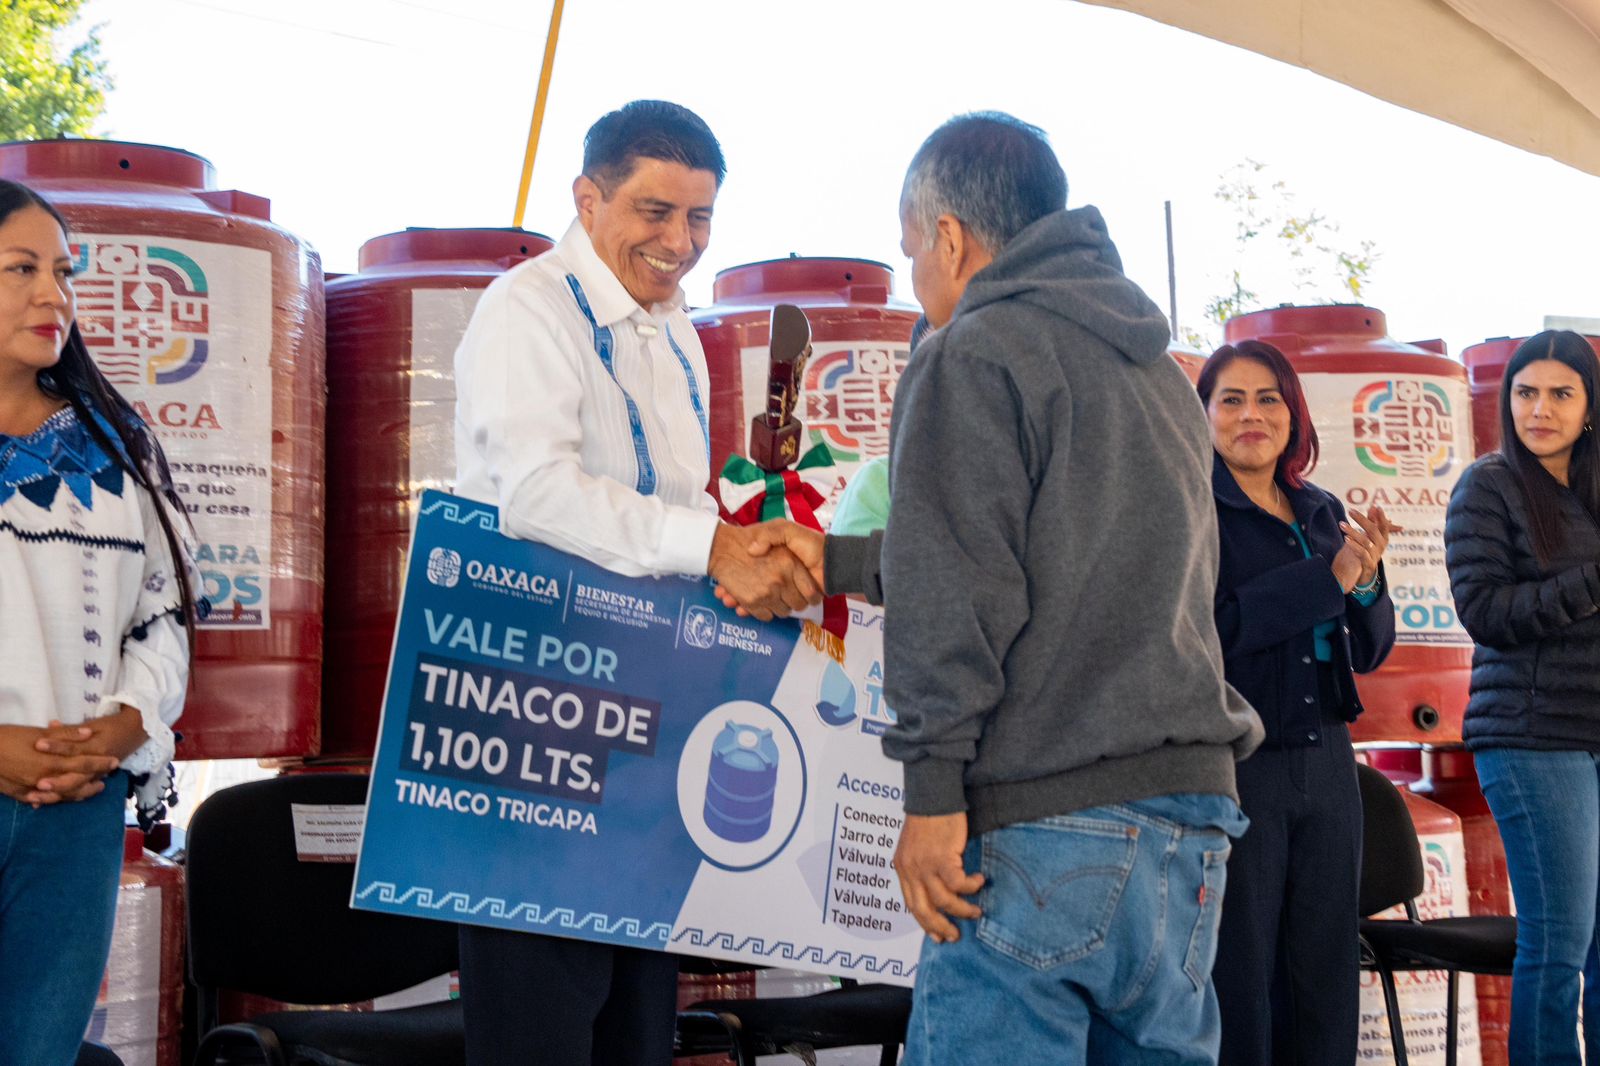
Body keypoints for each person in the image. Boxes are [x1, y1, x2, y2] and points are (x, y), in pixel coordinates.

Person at [790, 111, 1264, 1066]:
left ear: (951, 237)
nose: (918, 278)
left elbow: (957, 581)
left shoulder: (973, 347)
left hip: (1045, 823)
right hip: (1190, 828)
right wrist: (831, 566)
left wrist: (931, 797)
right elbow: (1045, 552)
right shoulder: (1158, 373)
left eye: (912, 248)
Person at [449, 99, 820, 1066]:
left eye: (700, 219)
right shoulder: (527, 308)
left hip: (646, 728)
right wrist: (713, 550)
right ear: (587, 196)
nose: (680, 243)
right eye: (655, 212)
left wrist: (760, 552)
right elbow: (535, 492)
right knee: (539, 1030)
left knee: (634, 1034)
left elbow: (683, 511)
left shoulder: (680, 334)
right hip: (531, 726)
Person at [0, 180, 199, 1066]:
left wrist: (124, 725)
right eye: (21, 269)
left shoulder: (116, 448)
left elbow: (161, 616)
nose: (55, 295)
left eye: (64, 272)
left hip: (77, 810)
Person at [1197, 340, 1397, 1065]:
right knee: (1241, 975)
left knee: (1325, 970)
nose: (1252, 415)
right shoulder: (1193, 512)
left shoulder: (1320, 509)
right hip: (1240, 765)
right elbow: (1212, 631)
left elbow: (1369, 650)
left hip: (1328, 760)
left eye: (1269, 398)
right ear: (1204, 417)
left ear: (1294, 415)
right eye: (1232, 399)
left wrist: (1366, 582)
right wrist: (1329, 580)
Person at [1444, 329, 1600, 1066]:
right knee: (1559, 944)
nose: (1541, 408)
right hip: (1534, 738)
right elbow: (1486, 612)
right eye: (1526, 392)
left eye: (1560, 393)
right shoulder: (1489, 485)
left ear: (1588, 407)